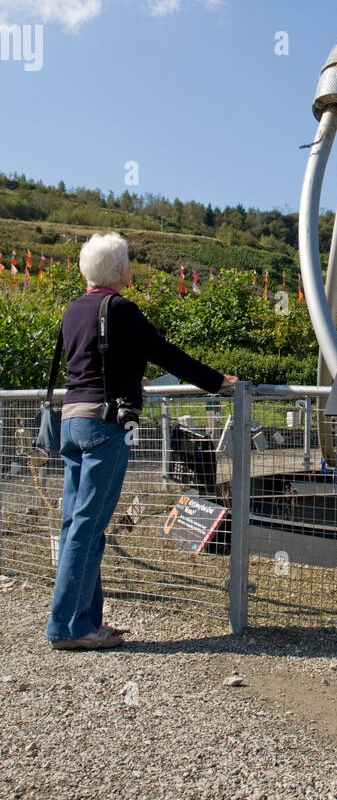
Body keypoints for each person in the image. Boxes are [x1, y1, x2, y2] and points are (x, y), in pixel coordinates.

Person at [45, 232, 236, 650]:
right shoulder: (120, 309)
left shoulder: (74, 309)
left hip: (71, 420)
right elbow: (167, 354)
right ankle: (67, 628)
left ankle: (86, 620)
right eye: (128, 262)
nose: (130, 268)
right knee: (88, 527)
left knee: (76, 524)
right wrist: (218, 382)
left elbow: (90, 363)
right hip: (104, 426)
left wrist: (130, 377)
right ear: (119, 270)